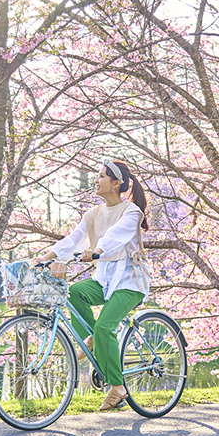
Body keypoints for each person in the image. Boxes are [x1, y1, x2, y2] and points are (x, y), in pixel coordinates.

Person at [39, 159, 151, 411]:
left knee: (105, 327)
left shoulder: (131, 211)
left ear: (115, 183)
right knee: (75, 292)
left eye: (101, 176)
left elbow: (116, 235)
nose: (96, 180)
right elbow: (74, 239)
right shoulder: (93, 214)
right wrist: (45, 258)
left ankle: (117, 386)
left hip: (130, 279)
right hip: (104, 278)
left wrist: (98, 249)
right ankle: (91, 337)